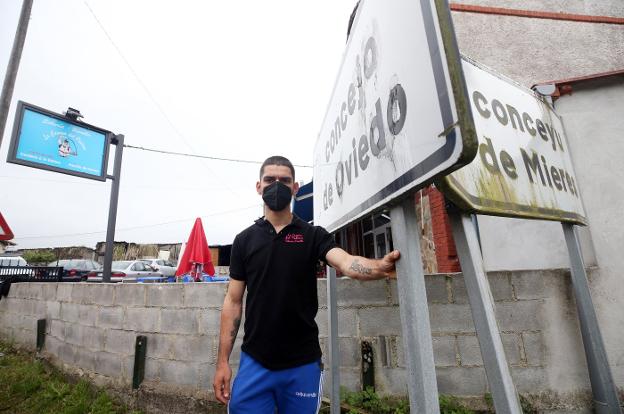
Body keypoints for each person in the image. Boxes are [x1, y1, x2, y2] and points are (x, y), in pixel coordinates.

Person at [213, 155, 400, 414]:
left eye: (284, 180)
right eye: (269, 180)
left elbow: (346, 263)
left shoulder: (313, 236)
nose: (276, 185)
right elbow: (233, 301)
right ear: (258, 186)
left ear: (295, 188)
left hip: (302, 364)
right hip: (255, 362)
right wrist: (222, 362)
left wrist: (379, 267)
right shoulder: (244, 240)